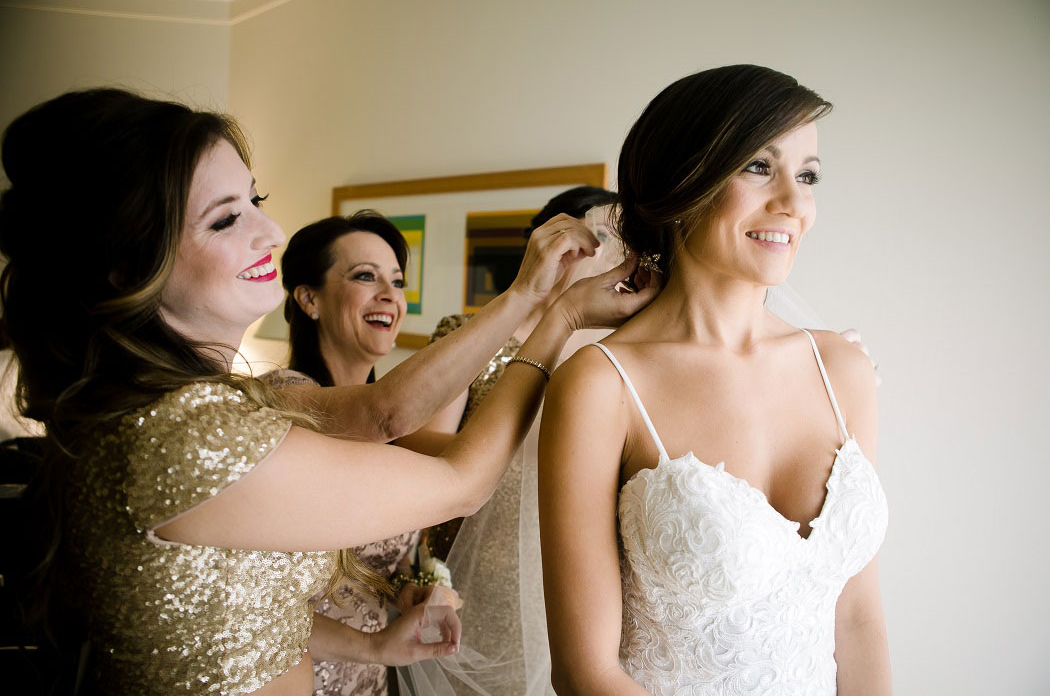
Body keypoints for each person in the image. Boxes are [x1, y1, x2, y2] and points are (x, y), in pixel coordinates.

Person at [0, 88, 656, 695]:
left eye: (254, 202)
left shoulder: (210, 405)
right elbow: (460, 480)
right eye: (226, 220)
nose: (272, 234)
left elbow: (245, 601)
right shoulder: (189, 443)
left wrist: (370, 646)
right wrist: (558, 318)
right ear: (129, 267)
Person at [538, 65, 890, 694]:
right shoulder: (602, 386)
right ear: (683, 184)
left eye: (807, 175)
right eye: (759, 167)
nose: (793, 203)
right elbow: (586, 673)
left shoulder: (843, 368)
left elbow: (857, 618)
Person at [399, 186, 623, 696]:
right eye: (597, 239)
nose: (606, 258)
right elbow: (417, 442)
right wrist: (509, 458)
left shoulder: (611, 354)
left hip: (567, 564)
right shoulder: (471, 332)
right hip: (472, 563)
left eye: (618, 245)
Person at [264, 211, 426, 696]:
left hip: (369, 683)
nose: (389, 295)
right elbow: (262, 601)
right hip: (299, 679)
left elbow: (374, 563)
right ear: (309, 298)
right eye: (364, 276)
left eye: (396, 282)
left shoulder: (393, 428)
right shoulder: (285, 400)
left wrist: (407, 590)